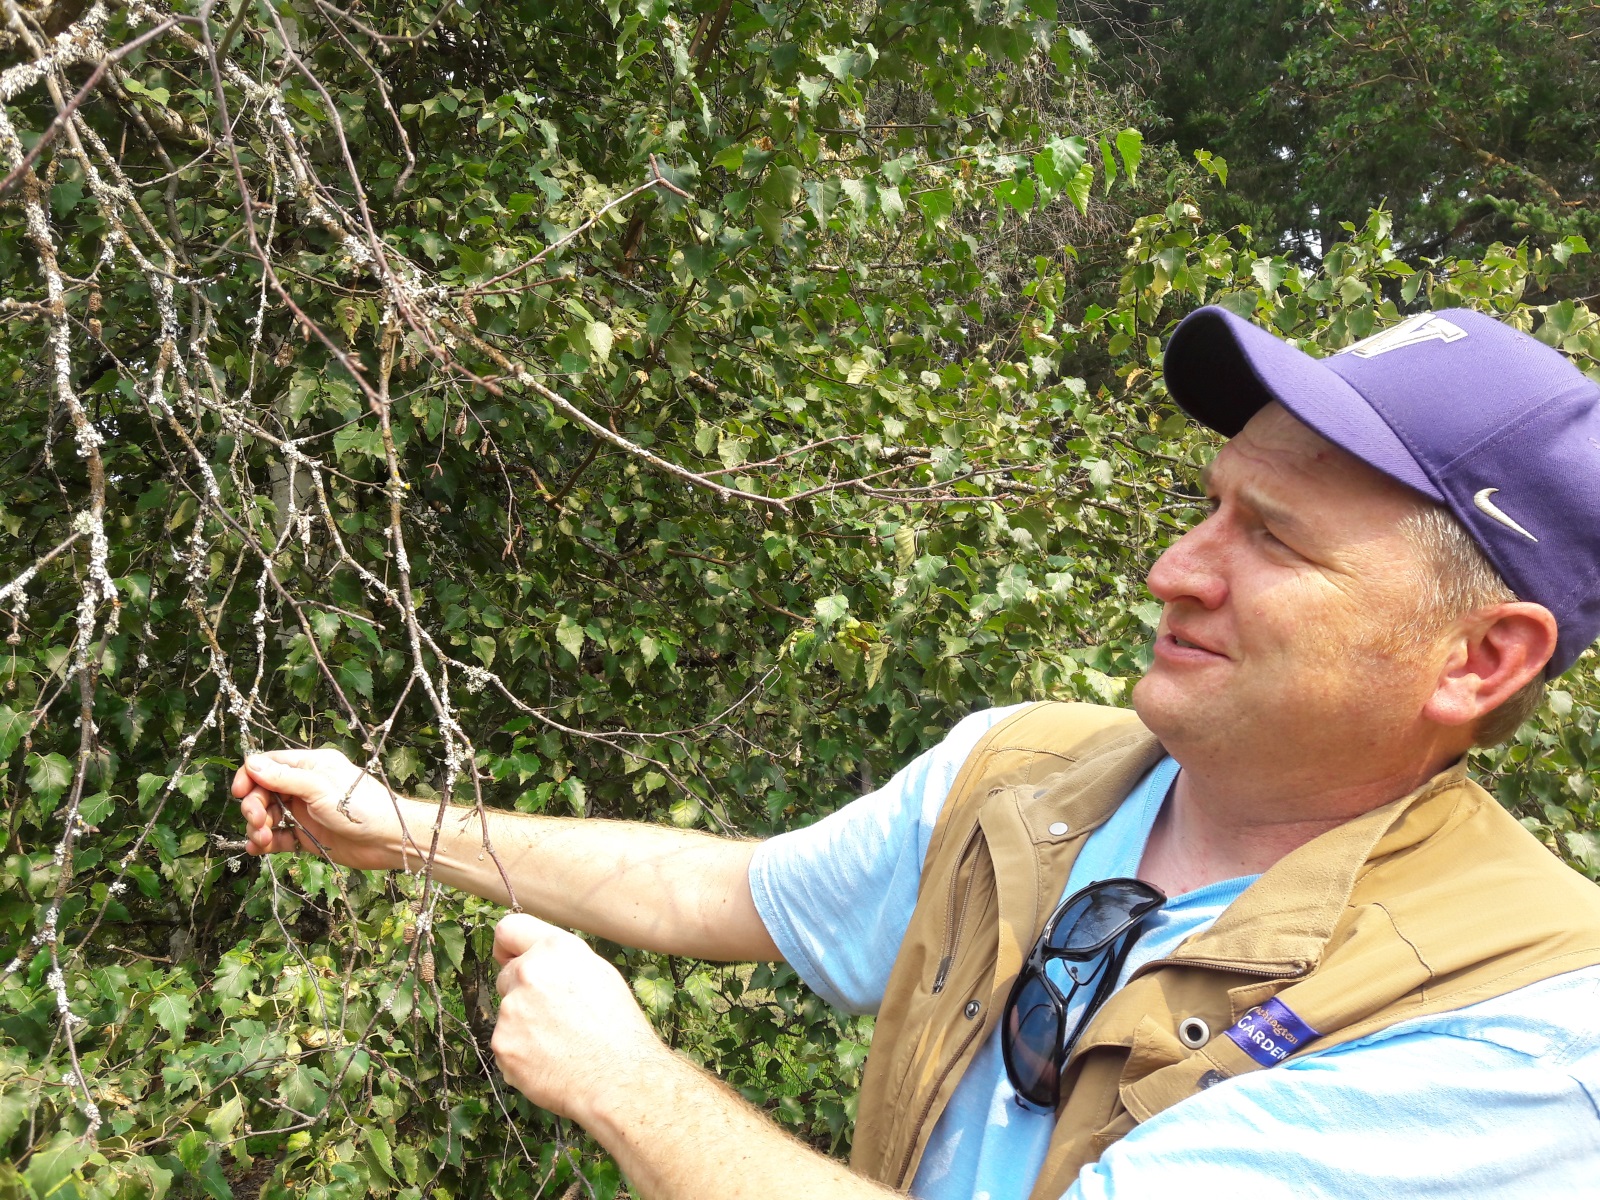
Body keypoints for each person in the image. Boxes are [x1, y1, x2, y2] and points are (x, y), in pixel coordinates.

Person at [235, 305, 1600, 1199]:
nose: (1173, 569)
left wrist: (626, 1083)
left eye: (1276, 539)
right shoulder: (1022, 778)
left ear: (1481, 659)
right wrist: (390, 826)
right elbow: (727, 893)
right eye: (1208, 509)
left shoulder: (1530, 1024)